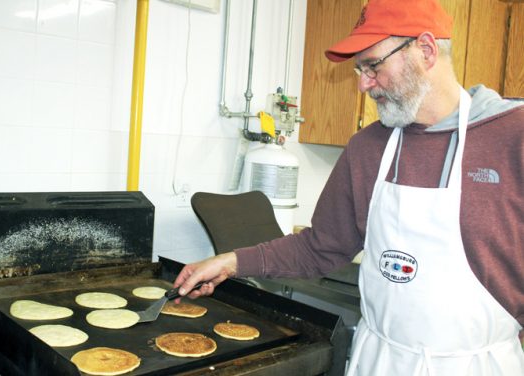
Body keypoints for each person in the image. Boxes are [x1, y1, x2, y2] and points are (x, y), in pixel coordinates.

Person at [174, 0, 524, 375]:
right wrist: (231, 261)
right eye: (360, 69)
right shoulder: (368, 147)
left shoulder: (512, 137)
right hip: (378, 361)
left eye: (372, 65)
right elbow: (320, 246)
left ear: (425, 50)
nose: (362, 84)